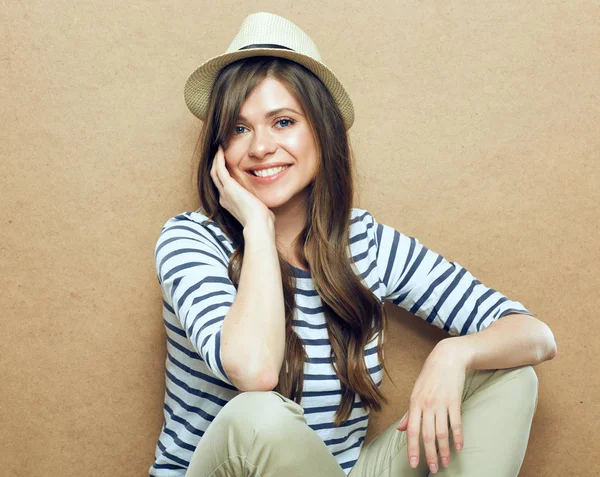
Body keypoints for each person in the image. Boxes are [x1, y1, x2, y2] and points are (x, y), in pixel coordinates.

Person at [149, 12, 555, 477]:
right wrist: (258, 228)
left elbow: (535, 335)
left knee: (506, 376)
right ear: (219, 149)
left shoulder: (364, 242)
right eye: (239, 129)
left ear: (322, 132)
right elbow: (256, 371)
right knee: (256, 415)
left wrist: (454, 353)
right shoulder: (189, 240)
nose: (259, 147)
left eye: (282, 122)